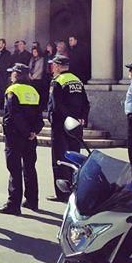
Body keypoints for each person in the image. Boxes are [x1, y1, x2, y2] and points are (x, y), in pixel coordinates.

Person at [0, 63, 44, 215]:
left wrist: (25, 132)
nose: (11, 75)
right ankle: (32, 201)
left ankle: (13, 204)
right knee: (30, 168)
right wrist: (33, 132)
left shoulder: (12, 90)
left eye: (12, 73)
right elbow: (39, 116)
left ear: (16, 75)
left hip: (15, 137)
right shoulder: (34, 91)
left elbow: (13, 115)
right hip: (30, 137)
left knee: (14, 169)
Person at [47, 54, 90, 202]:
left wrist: (66, 118)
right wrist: (82, 118)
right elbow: (86, 103)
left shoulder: (57, 81)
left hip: (61, 125)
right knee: (74, 158)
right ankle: (73, 189)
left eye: (53, 65)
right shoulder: (77, 81)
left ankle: (61, 193)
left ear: (58, 66)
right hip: (76, 126)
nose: (52, 68)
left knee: (59, 159)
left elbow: (56, 105)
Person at [0, 39, 12, 109]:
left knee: (3, 90)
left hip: (3, 75)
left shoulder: (7, 53)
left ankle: (3, 105)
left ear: (4, 44)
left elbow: (6, 64)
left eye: (0, 43)